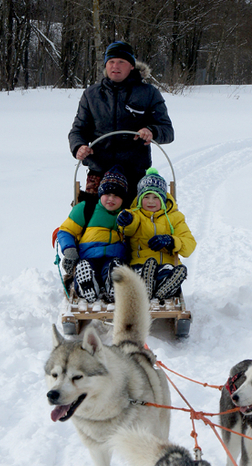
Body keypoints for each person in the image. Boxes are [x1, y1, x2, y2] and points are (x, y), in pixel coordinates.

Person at [68, 41, 174, 201]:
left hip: (134, 174)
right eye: (111, 61)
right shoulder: (92, 95)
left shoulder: (148, 93)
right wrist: (78, 147)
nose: (115, 66)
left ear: (132, 66)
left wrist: (152, 131)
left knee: (133, 222)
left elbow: (167, 131)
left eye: (121, 62)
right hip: (98, 173)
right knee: (91, 221)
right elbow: (78, 130)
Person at [116, 169, 196, 301]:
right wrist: (125, 220)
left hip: (166, 262)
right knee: (144, 270)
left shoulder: (174, 217)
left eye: (156, 197)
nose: (151, 201)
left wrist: (171, 241)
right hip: (140, 263)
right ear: (140, 199)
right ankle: (145, 286)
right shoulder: (135, 215)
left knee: (168, 272)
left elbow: (189, 245)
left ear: (163, 199)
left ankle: (164, 288)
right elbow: (128, 229)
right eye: (146, 197)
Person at [56, 167, 128, 303]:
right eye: (108, 194)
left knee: (114, 266)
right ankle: (86, 285)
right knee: (87, 268)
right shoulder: (86, 208)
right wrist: (69, 250)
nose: (111, 199)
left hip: (114, 256)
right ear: (100, 193)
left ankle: (113, 283)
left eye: (117, 195)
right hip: (88, 255)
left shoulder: (126, 215)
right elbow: (66, 230)